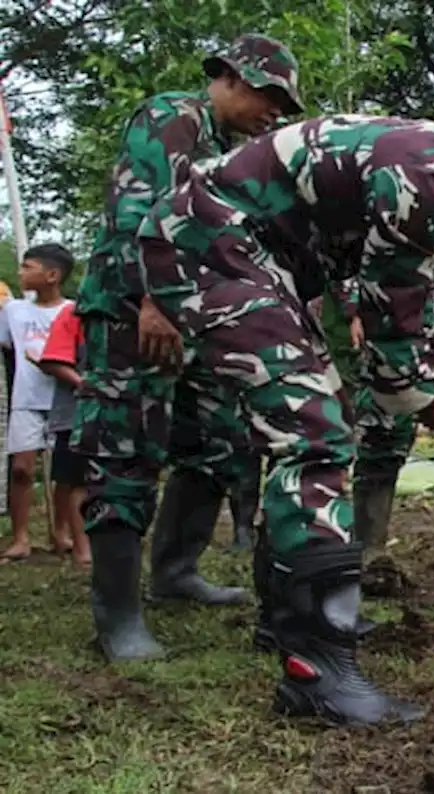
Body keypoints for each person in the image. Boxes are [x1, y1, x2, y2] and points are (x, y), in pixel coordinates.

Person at [136, 85, 434, 726]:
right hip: (209, 243)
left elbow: (412, 303)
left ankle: (285, 618)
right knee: (315, 432)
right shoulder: (422, 177)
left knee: (321, 420)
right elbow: (389, 343)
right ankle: (317, 674)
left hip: (259, 256)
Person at [74, 33, 304, 663]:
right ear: (232, 76)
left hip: (191, 320)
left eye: (285, 106)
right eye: (271, 96)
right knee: (125, 448)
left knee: (218, 443)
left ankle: (175, 571)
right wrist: (154, 301)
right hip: (133, 312)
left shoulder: (225, 150)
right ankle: (117, 619)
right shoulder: (172, 116)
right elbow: (140, 212)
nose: (276, 113)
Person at [0, 245, 75, 562]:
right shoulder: (13, 311)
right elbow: (6, 344)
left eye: (27, 267)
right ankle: (21, 538)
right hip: (27, 398)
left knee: (65, 473)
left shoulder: (72, 310)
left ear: (52, 275)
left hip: (64, 398)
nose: (20, 273)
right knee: (21, 469)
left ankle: (61, 532)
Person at [39, 298, 92, 567]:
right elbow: (51, 361)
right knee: (78, 481)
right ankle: (82, 550)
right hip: (76, 414)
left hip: (118, 414)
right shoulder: (74, 313)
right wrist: (84, 383)